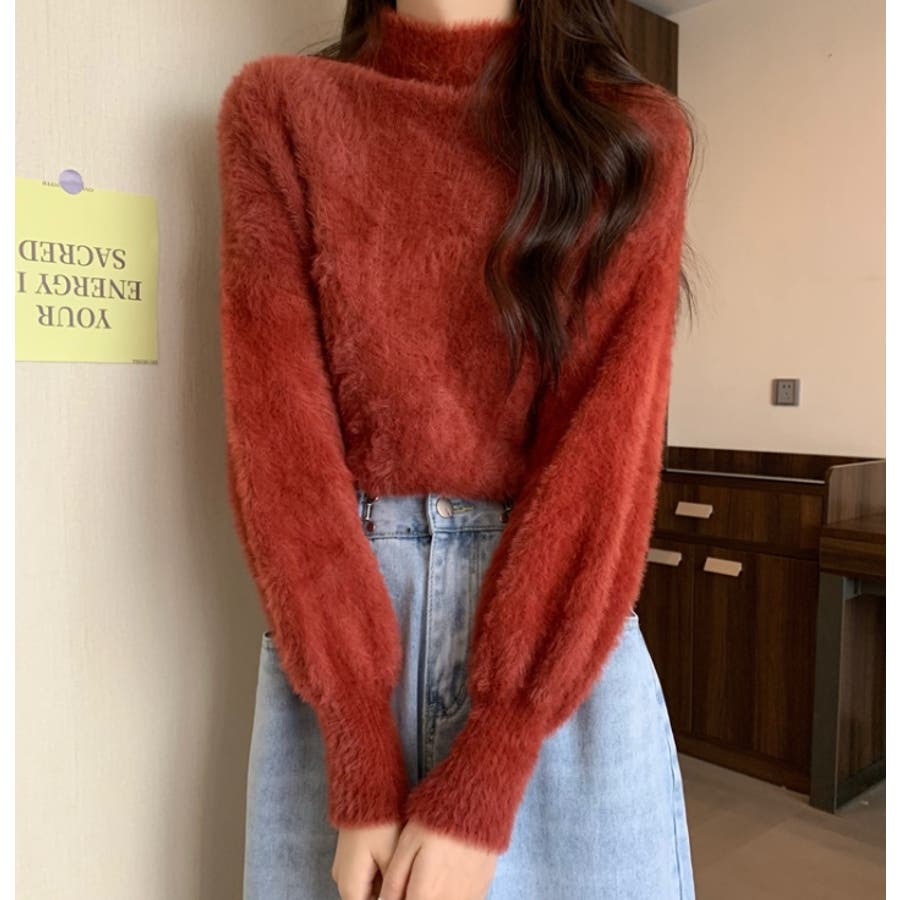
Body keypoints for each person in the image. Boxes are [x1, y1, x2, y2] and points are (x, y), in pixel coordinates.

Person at [215, 2, 698, 898]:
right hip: (344, 640)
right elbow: (277, 442)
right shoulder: (281, 109)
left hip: (553, 662)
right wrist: (358, 747)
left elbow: (605, 454)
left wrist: (494, 761)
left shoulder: (632, 135)